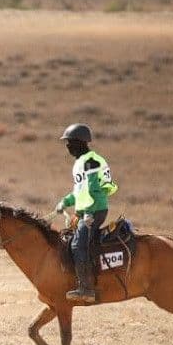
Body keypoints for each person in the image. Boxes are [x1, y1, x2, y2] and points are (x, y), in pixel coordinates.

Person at [55, 123, 118, 304]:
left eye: (69, 142)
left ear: (80, 143)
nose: (67, 146)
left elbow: (92, 189)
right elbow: (80, 191)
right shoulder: (81, 163)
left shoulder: (91, 161)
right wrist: (65, 202)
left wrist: (86, 213)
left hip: (95, 210)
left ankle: (86, 289)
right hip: (87, 210)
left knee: (77, 245)